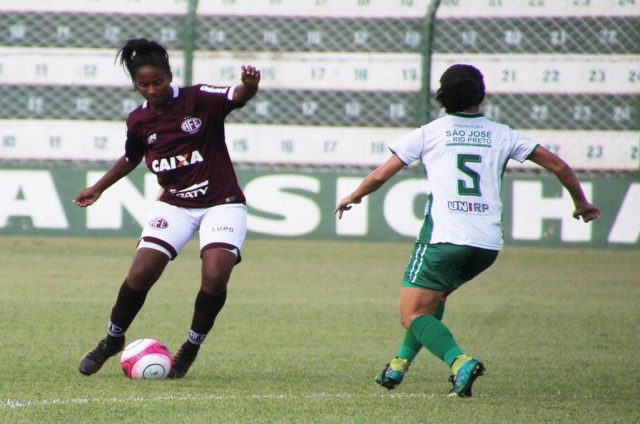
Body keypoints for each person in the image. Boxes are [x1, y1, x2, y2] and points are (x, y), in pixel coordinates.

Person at [334, 64, 600, 397]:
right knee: (435, 298)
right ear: (481, 94)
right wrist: (581, 203)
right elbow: (559, 165)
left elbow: (379, 176)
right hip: (486, 244)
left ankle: (459, 362)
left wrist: (353, 196)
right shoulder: (503, 133)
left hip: (445, 239)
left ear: (442, 96)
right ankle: (398, 365)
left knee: (411, 313)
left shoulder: (431, 131)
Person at [74, 38, 261, 378]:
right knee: (141, 272)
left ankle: (190, 346)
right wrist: (98, 187)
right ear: (135, 84)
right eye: (143, 84)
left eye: (157, 82)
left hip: (222, 203)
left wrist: (248, 87)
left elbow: (235, 96)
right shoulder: (139, 121)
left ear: (170, 76)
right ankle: (112, 340)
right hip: (174, 204)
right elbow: (132, 157)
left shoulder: (198, 98)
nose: (151, 89)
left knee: (215, 276)